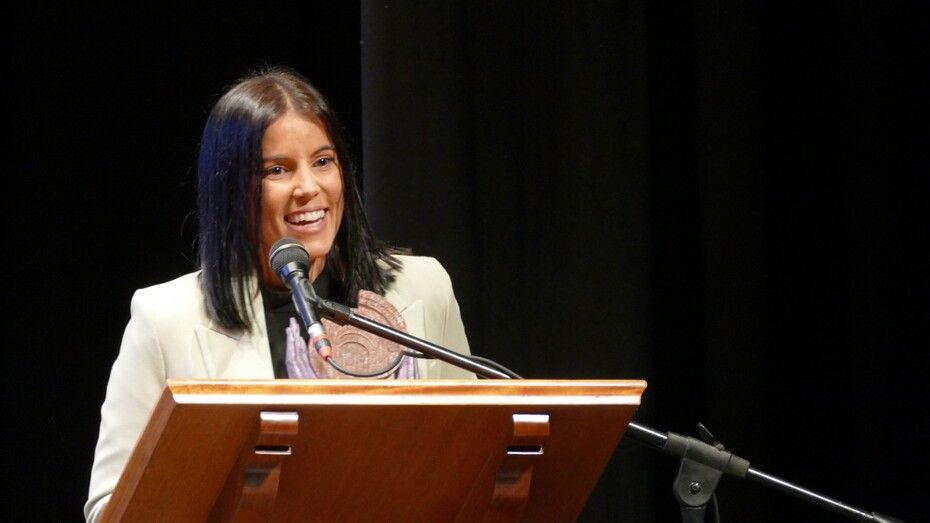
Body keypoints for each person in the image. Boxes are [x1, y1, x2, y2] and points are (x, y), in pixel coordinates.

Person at [84, 67, 474, 522]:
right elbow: (111, 508)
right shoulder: (165, 320)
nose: (309, 188)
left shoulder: (423, 288)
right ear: (232, 190)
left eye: (323, 161)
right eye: (277, 170)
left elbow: (473, 456)